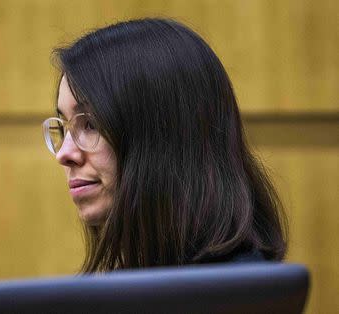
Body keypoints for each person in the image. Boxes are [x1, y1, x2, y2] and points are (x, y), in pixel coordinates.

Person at [42, 18, 287, 273]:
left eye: (90, 124)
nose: (64, 154)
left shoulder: (235, 298)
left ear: (164, 137)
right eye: (63, 127)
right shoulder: (150, 283)